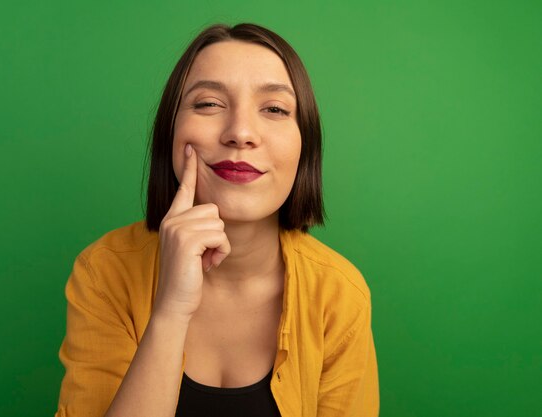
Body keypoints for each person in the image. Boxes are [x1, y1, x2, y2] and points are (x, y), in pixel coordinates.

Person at [55, 23, 379, 417]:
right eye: (208, 104)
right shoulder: (104, 272)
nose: (241, 133)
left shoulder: (339, 295)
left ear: (304, 146)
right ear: (170, 133)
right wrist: (171, 310)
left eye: (274, 109)